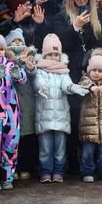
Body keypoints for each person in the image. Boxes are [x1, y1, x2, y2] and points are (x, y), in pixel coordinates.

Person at [31, 33, 87, 185]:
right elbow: (37, 82)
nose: (53, 57)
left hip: (61, 115)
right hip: (44, 115)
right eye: (50, 54)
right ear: (44, 55)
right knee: (45, 147)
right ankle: (45, 171)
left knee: (60, 147)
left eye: (56, 54)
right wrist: (41, 87)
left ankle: (58, 170)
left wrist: (73, 88)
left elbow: (66, 85)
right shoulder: (40, 70)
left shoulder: (64, 71)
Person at [77, 50, 102, 183]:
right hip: (89, 128)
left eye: (100, 71)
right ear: (89, 70)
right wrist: (91, 87)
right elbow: (82, 85)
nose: (96, 73)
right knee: (87, 153)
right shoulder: (85, 81)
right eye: (93, 70)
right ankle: (87, 172)